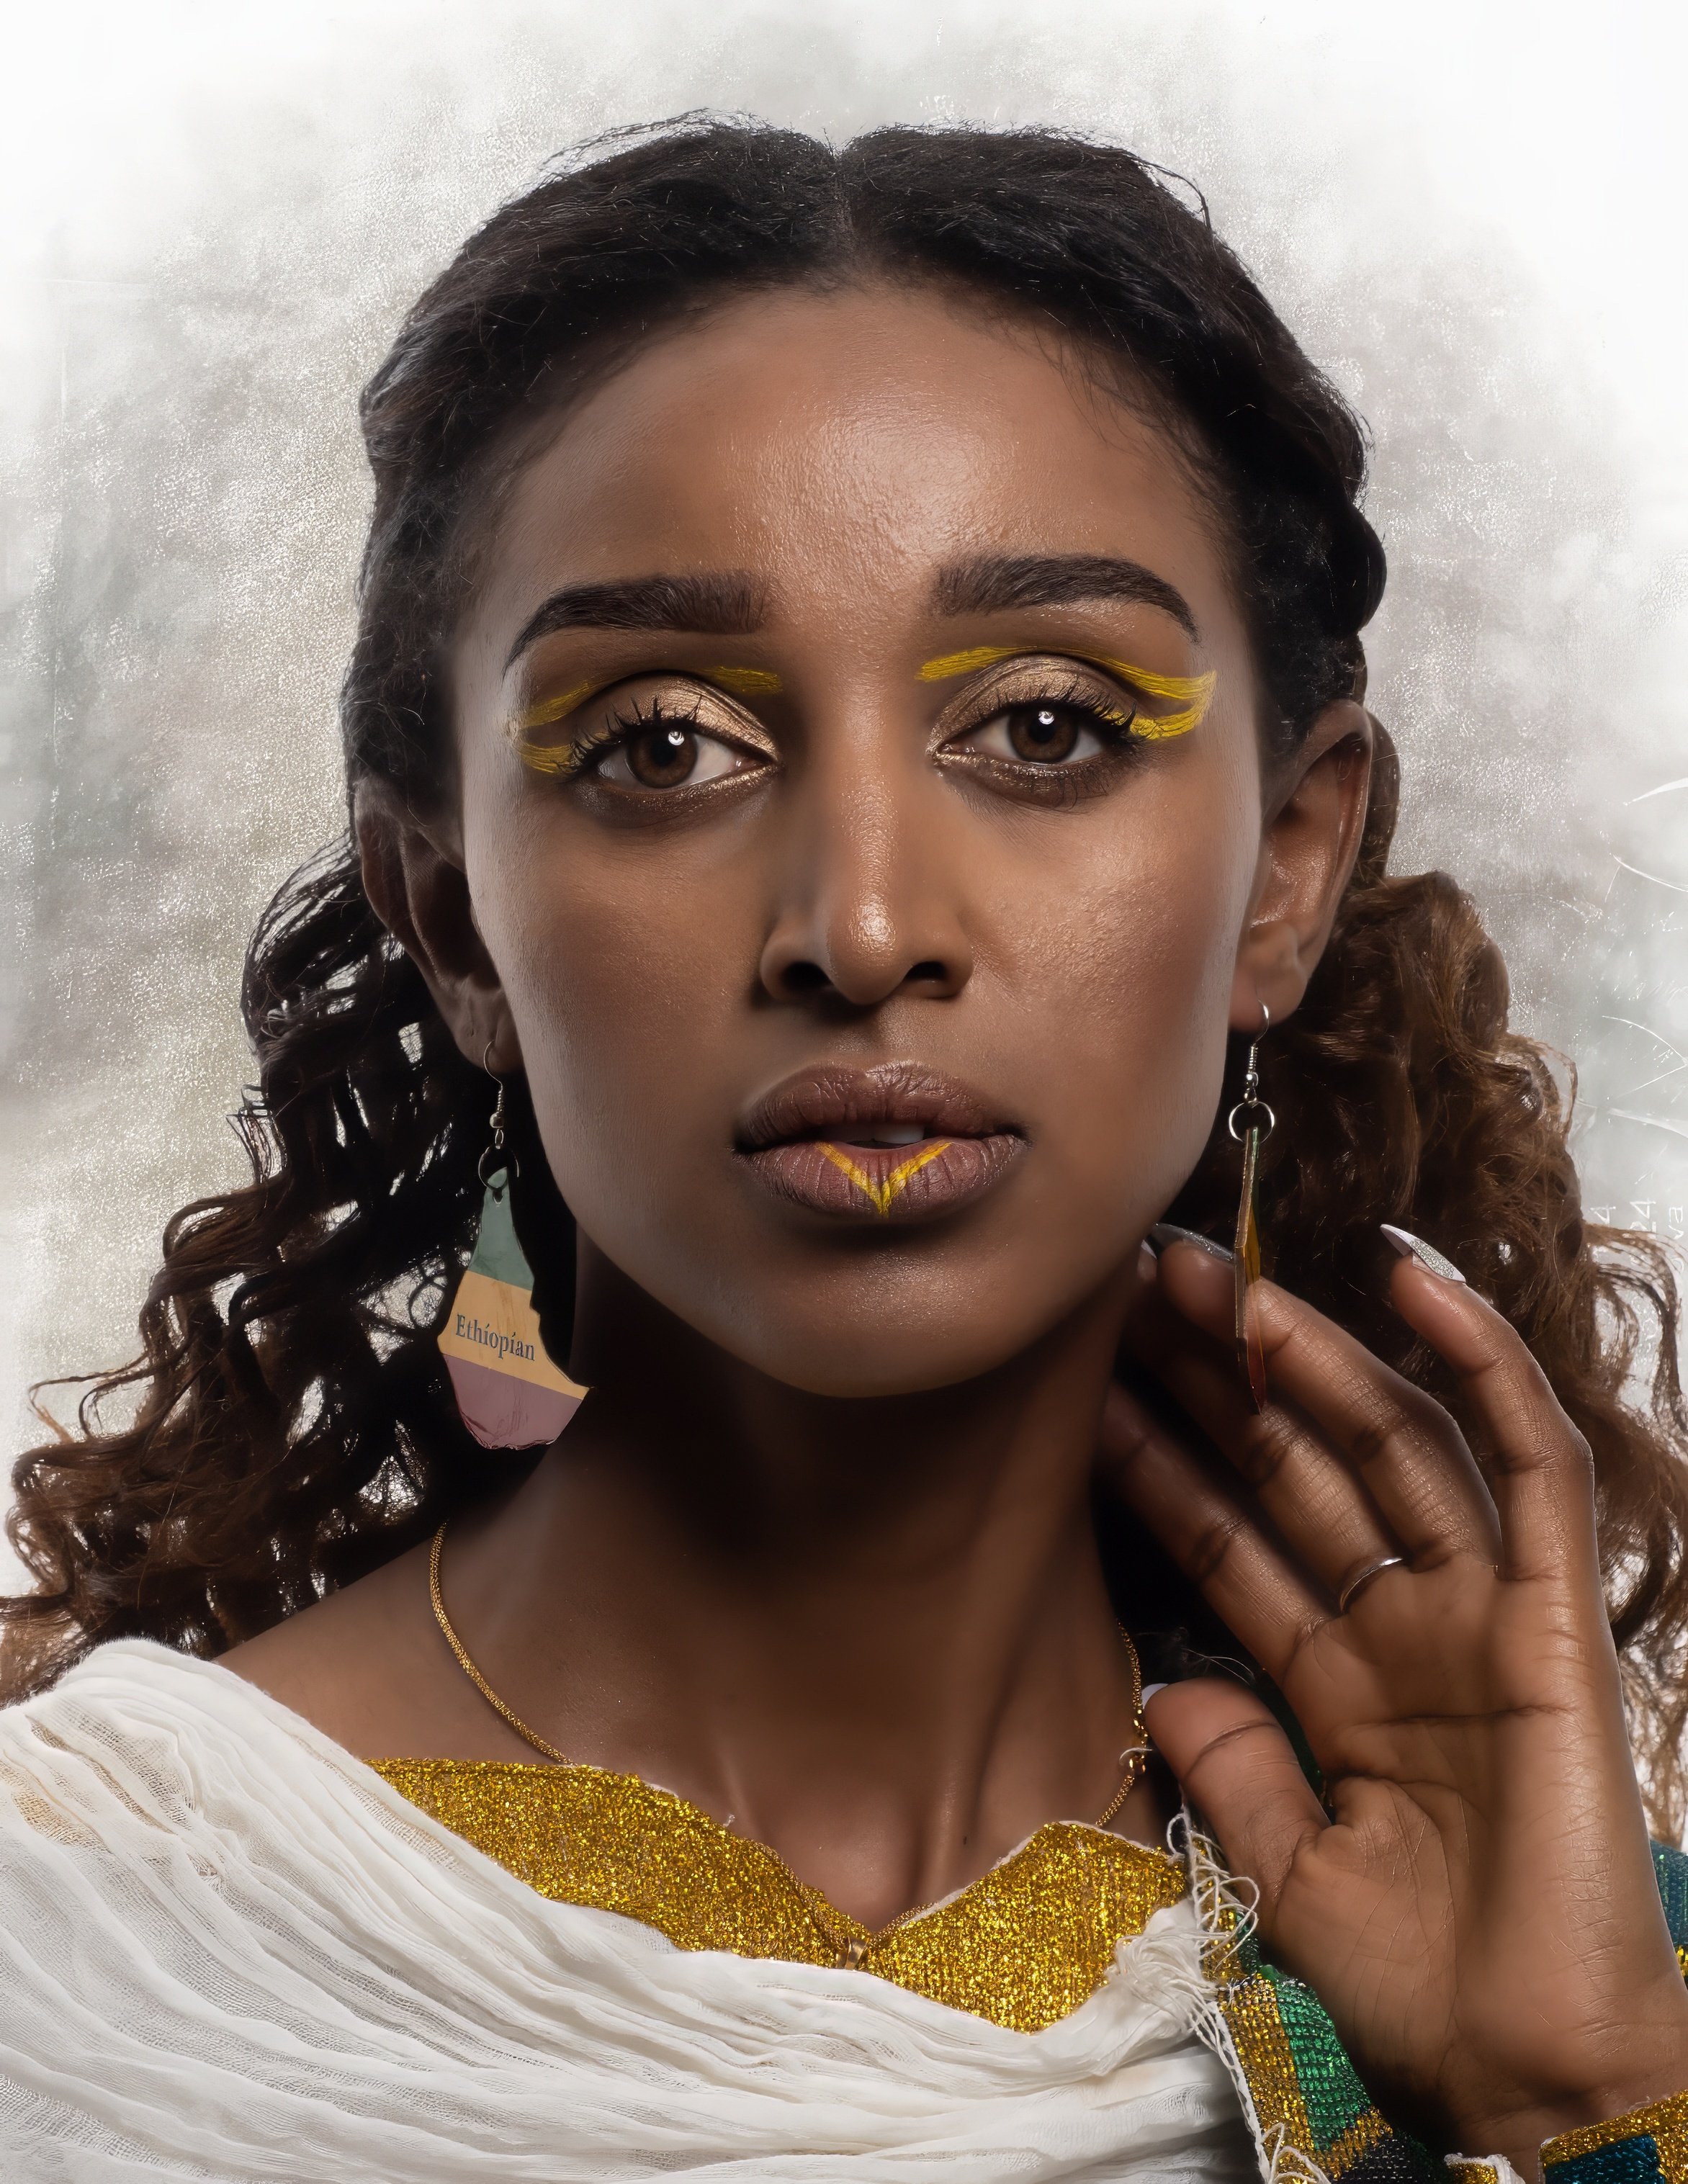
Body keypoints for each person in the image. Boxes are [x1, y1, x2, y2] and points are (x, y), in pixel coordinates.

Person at [3, 119, 1687, 2184]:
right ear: (453, 916)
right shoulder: (69, 1948)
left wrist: (1578, 2116)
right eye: (664, 746)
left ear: (1286, 866)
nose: (864, 926)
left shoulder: (1570, 1984)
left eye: (1048, 727)